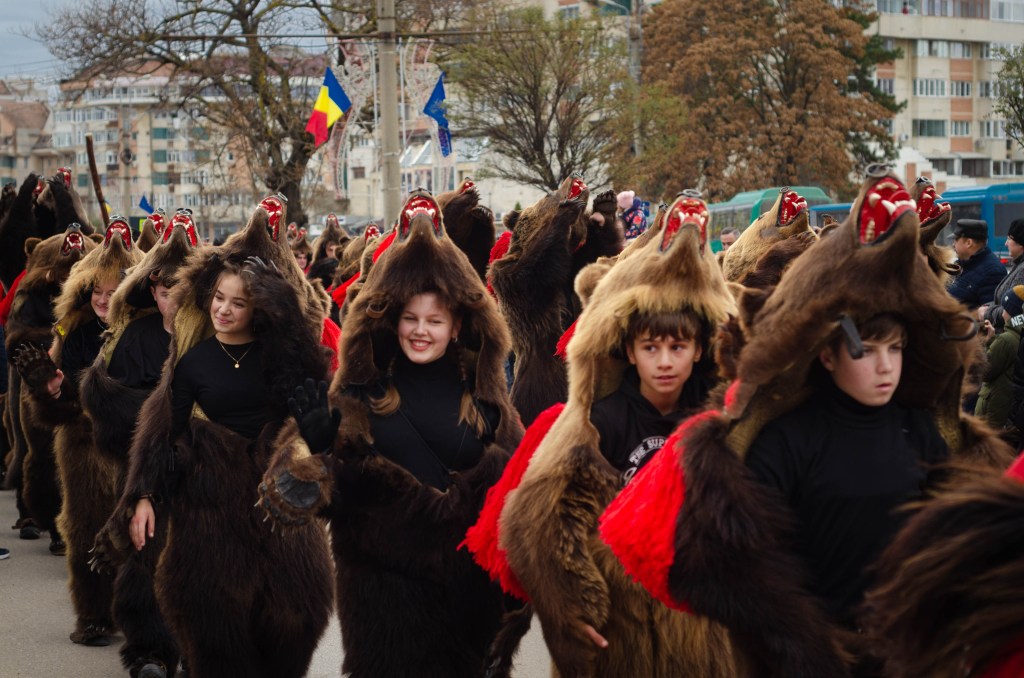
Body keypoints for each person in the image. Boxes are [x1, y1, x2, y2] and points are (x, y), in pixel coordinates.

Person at [260, 190, 524, 678]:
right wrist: (315, 455)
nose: (421, 331)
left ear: (458, 323)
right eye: (411, 319)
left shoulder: (488, 405)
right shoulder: (358, 398)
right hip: (384, 612)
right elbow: (301, 493)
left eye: (434, 321)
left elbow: (518, 507)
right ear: (391, 319)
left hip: (470, 611)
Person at [474, 192, 736, 677]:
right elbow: (539, 523)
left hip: (700, 626)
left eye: (677, 347)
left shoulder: (716, 421)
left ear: (700, 350)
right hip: (621, 627)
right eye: (651, 346)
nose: (664, 361)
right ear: (629, 349)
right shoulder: (603, 419)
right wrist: (571, 608)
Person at [93, 248, 334, 678]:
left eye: (239, 302)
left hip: (280, 522)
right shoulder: (191, 362)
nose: (224, 309)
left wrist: (287, 308)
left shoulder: (279, 358)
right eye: (219, 297)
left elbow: (312, 389)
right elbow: (166, 432)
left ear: (258, 309)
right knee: (215, 645)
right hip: (208, 526)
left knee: (290, 632)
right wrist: (143, 495)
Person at [744, 313, 949, 629]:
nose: (886, 367)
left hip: (904, 636)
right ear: (827, 356)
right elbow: (757, 554)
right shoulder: (788, 439)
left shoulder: (917, 428)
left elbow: (945, 530)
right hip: (819, 640)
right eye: (866, 350)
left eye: (895, 348)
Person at [13, 219, 141, 647]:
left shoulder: (146, 331)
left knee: (140, 535)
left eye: (112, 291)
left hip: (131, 444)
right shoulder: (71, 330)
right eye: (97, 292)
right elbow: (49, 411)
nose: (104, 300)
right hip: (82, 447)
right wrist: (49, 390)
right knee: (84, 531)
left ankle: (142, 617)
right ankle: (92, 616)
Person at [977, 285, 1024, 429]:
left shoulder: (1006, 339)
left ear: (1011, 312)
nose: (1002, 313)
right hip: (1005, 408)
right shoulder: (1017, 336)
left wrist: (986, 342)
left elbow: (985, 372)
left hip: (993, 408)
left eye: (1005, 309)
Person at [948, 218, 1006, 309]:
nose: (953, 244)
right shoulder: (963, 265)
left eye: (956, 240)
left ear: (968, 243)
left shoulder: (992, 272)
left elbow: (988, 315)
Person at [983, 218, 1024, 331]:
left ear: (1020, 243)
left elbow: (1013, 308)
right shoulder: (1018, 266)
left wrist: (986, 313)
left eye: (1009, 238)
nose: (1006, 243)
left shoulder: (1022, 271)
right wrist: (988, 307)